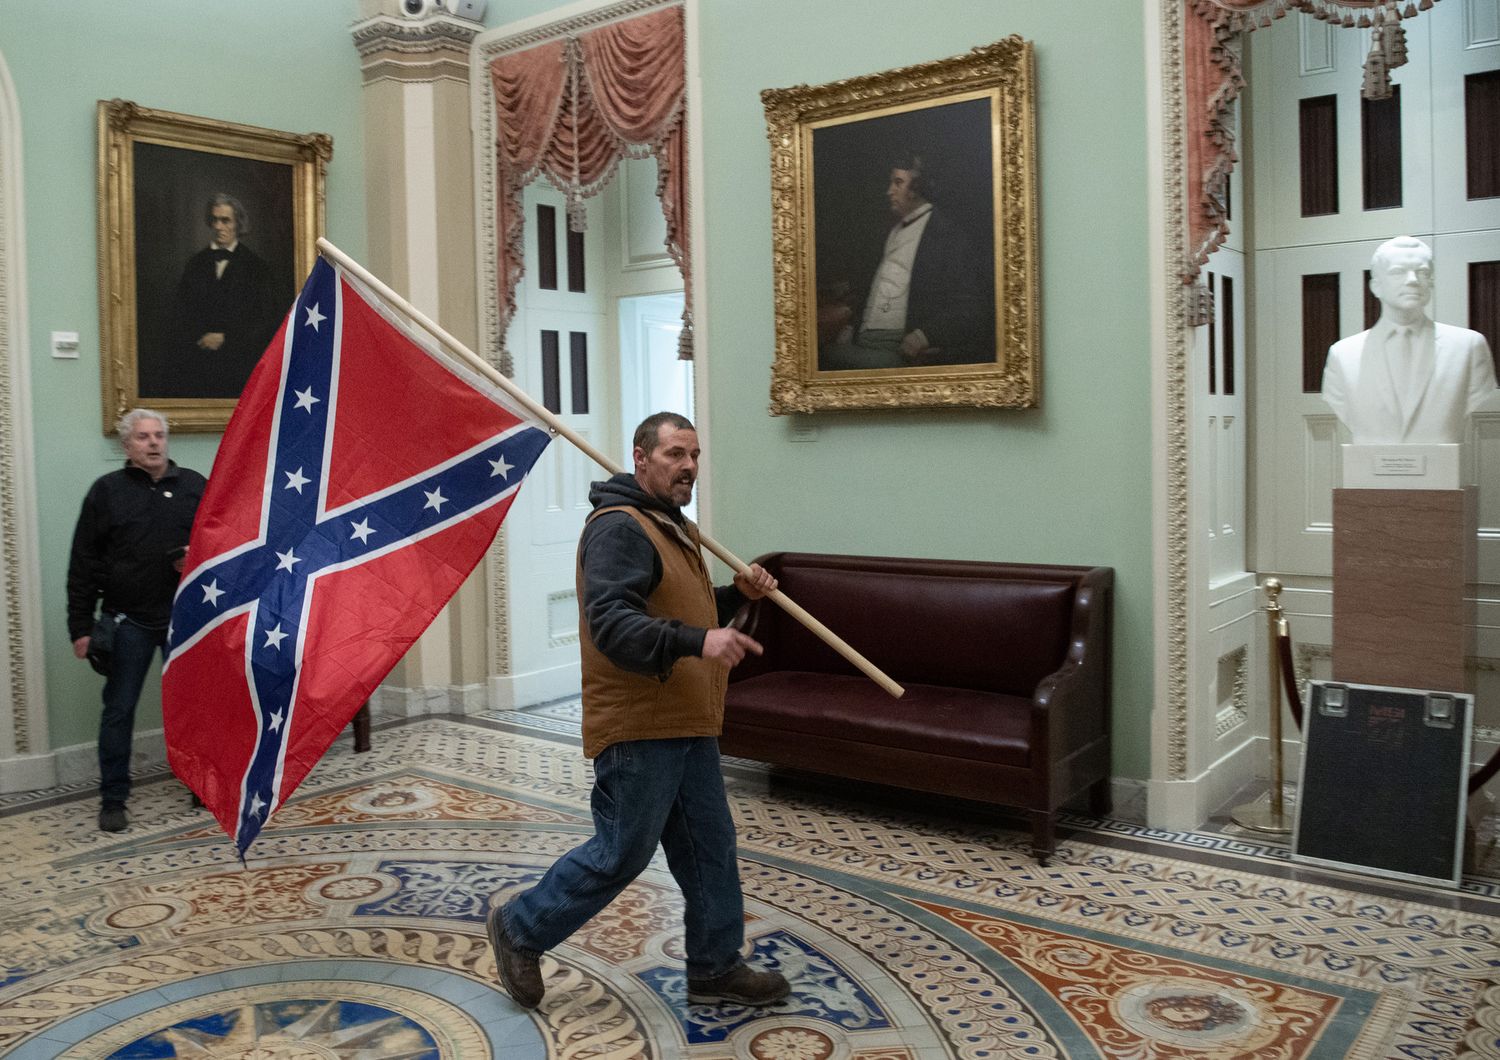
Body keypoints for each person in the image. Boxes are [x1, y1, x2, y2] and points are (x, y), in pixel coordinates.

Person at [486, 412, 792, 1011]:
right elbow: (614, 624)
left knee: (709, 846)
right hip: (640, 724)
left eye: (695, 455)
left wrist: (735, 597)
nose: (688, 467)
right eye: (676, 454)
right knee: (620, 852)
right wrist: (699, 642)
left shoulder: (670, 525)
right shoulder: (620, 528)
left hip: (688, 719)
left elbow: (675, 609)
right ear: (641, 457)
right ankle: (521, 928)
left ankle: (714, 966)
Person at [67, 409, 205, 832]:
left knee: (193, 707)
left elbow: (220, 544)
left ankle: (202, 785)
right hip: (128, 620)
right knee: (119, 710)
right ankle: (113, 798)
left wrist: (193, 559)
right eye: (143, 437)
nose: (153, 443)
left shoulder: (194, 486)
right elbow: (83, 562)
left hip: (185, 618)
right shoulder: (106, 492)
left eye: (159, 435)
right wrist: (81, 626)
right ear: (127, 446)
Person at [818, 151, 994, 372]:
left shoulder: (946, 235)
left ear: (918, 187)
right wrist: (851, 326)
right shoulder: (892, 231)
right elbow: (874, 288)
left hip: (899, 349)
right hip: (862, 341)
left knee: (828, 358)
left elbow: (971, 306)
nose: (889, 191)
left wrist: (924, 336)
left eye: (898, 183)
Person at [1321, 236, 1498, 444]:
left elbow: (1477, 394)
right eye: (1398, 272)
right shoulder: (1343, 354)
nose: (1413, 280)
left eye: (1422, 272)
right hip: (1370, 470)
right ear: (1376, 286)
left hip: (1440, 468)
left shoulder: (1468, 347)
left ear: (1431, 282)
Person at [173, 193, 283, 398]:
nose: (218, 226)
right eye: (214, 220)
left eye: (225, 220)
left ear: (238, 224)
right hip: (197, 369)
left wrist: (227, 339)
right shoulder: (195, 264)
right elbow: (180, 315)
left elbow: (267, 321)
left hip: (239, 369)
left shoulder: (257, 268)